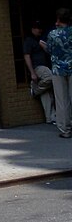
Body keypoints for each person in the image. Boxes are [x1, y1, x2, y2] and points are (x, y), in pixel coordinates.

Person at [46, 8, 72, 138]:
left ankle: (65, 129)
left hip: (58, 69)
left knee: (62, 100)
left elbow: (49, 49)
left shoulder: (53, 35)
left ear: (58, 20)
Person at [23, 20, 54, 125]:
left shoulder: (41, 40)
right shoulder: (29, 40)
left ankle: (50, 117)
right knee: (51, 77)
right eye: (37, 28)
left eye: (40, 28)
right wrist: (32, 72)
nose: (39, 30)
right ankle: (35, 89)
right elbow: (26, 56)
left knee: (46, 93)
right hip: (37, 67)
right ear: (32, 29)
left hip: (45, 66)